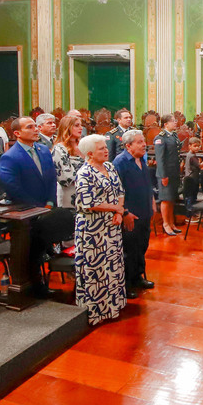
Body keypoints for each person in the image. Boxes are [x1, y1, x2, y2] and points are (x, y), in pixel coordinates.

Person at [0, 116, 60, 299]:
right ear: (17, 133)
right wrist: (37, 206)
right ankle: (32, 286)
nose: (35, 130)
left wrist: (49, 202)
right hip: (26, 211)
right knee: (29, 251)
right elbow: (12, 187)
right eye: (30, 127)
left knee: (41, 248)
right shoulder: (10, 156)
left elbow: (51, 178)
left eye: (35, 126)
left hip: (46, 207)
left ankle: (39, 284)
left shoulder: (43, 150)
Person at [72, 133, 128, 325]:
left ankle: (113, 306)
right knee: (96, 269)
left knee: (112, 266)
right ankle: (97, 311)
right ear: (89, 153)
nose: (106, 150)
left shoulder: (110, 167)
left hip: (112, 226)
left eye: (105, 147)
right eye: (101, 148)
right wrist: (116, 209)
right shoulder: (84, 173)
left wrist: (119, 213)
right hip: (91, 229)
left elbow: (120, 191)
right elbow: (89, 203)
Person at [113, 129, 154, 298]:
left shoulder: (141, 159)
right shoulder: (120, 162)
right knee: (129, 249)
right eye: (139, 142)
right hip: (130, 215)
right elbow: (117, 191)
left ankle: (138, 276)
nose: (144, 144)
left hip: (144, 211)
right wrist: (125, 213)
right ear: (128, 145)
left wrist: (152, 202)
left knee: (142, 246)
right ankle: (126, 283)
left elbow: (146, 184)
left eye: (143, 141)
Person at [153, 113, 182, 235]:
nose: (175, 123)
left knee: (171, 199)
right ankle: (165, 224)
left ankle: (171, 222)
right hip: (165, 173)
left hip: (174, 172)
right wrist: (163, 175)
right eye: (173, 121)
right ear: (166, 124)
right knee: (165, 199)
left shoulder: (174, 136)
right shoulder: (161, 138)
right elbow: (160, 159)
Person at [52, 113, 85, 209]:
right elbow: (66, 177)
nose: (81, 128)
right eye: (77, 125)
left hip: (88, 193)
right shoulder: (60, 148)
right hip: (70, 194)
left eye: (81, 125)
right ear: (67, 127)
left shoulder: (83, 145)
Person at [182, 137, 202, 214]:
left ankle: (191, 212)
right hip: (192, 178)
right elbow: (199, 166)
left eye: (198, 146)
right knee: (191, 196)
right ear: (189, 146)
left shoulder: (189, 154)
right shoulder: (192, 156)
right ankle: (190, 213)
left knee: (191, 195)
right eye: (195, 146)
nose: (197, 148)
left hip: (189, 177)